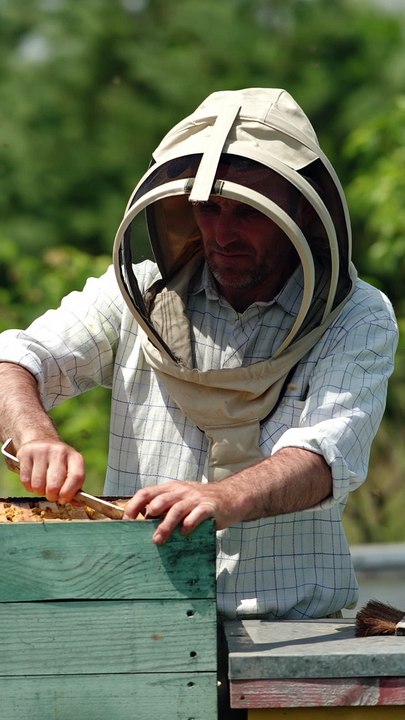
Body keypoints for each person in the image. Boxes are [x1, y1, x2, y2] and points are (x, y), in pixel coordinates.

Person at [0, 88, 398, 620]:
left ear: (299, 211)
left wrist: (224, 498)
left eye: (247, 212)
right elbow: (16, 358)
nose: (222, 233)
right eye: (208, 209)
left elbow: (326, 456)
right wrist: (36, 438)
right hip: (144, 622)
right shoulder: (134, 295)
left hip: (287, 626)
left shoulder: (356, 314)